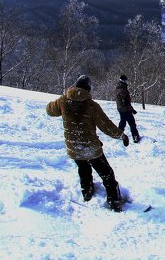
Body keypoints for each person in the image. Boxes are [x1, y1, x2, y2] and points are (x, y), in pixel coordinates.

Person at [47, 74, 129, 212]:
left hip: (73, 147)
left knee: (83, 169)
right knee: (107, 174)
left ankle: (87, 191)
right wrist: (122, 136)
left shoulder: (63, 101)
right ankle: (114, 201)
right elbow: (106, 125)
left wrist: (62, 102)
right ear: (88, 89)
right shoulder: (91, 106)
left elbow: (49, 110)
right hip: (91, 148)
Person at [115, 74, 142, 143]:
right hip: (125, 110)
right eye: (126, 80)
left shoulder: (118, 87)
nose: (127, 82)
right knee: (132, 123)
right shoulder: (122, 89)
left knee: (123, 122)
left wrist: (132, 109)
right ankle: (135, 137)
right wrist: (130, 109)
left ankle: (118, 134)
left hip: (120, 109)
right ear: (123, 80)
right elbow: (125, 102)